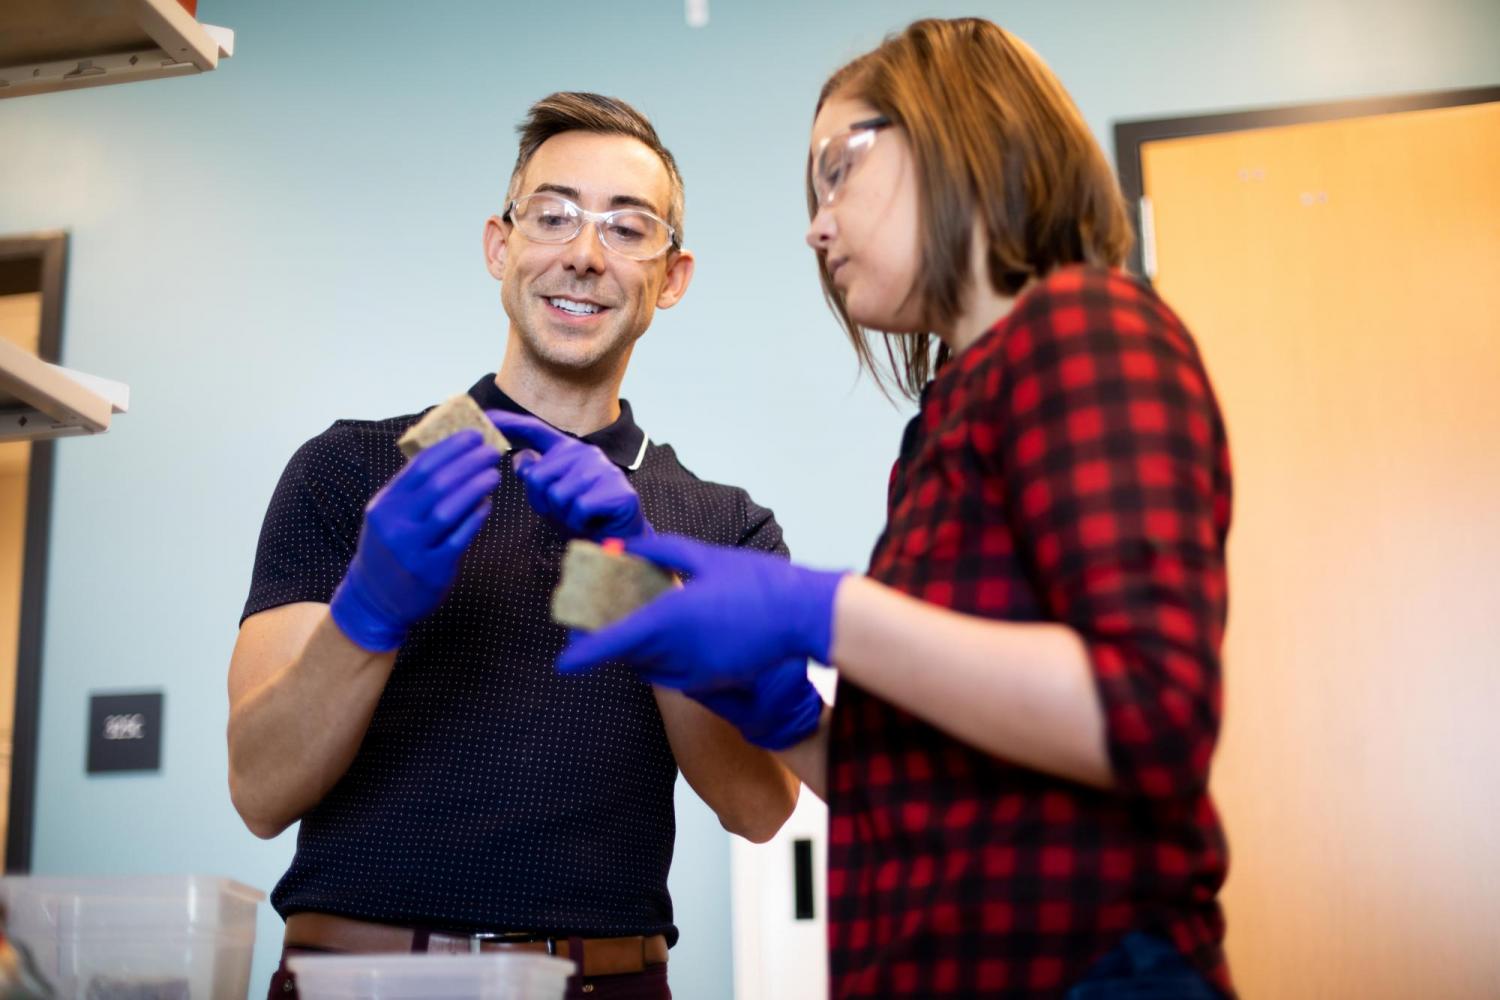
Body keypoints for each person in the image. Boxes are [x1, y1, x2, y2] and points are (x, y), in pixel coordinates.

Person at [552, 19, 1235, 999]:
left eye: (840, 168)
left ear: (969, 133)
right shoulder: (948, 417)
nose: (816, 224)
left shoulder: (1086, 327)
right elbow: (929, 797)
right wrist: (781, 714)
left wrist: (820, 609)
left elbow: (1148, 713)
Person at [226, 92, 800, 1000]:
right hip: (359, 980)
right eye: (553, 215)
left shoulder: (721, 526)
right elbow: (260, 790)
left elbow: (760, 806)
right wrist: (370, 607)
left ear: (673, 275)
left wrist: (640, 589)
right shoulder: (357, 467)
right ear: (501, 245)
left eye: (627, 227)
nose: (583, 251)